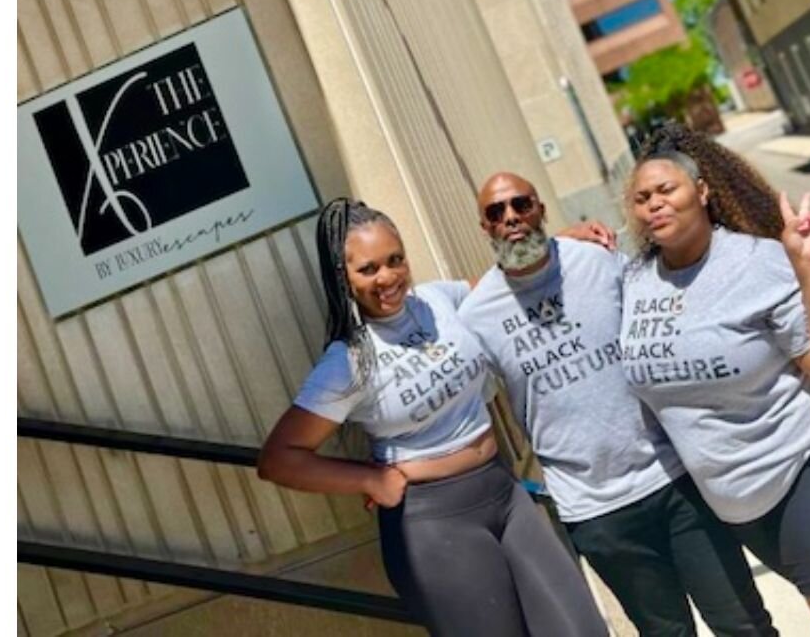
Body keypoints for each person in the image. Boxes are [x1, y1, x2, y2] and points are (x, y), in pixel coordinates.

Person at [257, 197, 608, 637]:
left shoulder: (436, 301)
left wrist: (559, 243)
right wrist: (369, 480)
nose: (387, 278)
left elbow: (496, 283)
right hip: (434, 523)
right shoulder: (348, 362)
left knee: (580, 628)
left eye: (395, 260)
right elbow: (280, 459)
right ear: (342, 277)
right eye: (368, 269)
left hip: (503, 491)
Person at [458, 172, 777, 637]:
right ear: (485, 228)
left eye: (521, 205)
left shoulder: (598, 262)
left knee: (742, 623)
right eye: (496, 212)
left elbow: (667, 325)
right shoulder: (476, 314)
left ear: (540, 209)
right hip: (596, 512)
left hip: (674, 477)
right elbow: (464, 403)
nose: (511, 218)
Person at [620, 125, 810, 637]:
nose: (654, 203)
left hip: (807, 472)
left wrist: (808, 269)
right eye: (642, 197)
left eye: (667, 189)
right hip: (739, 504)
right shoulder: (633, 280)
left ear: (702, 192)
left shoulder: (756, 261)